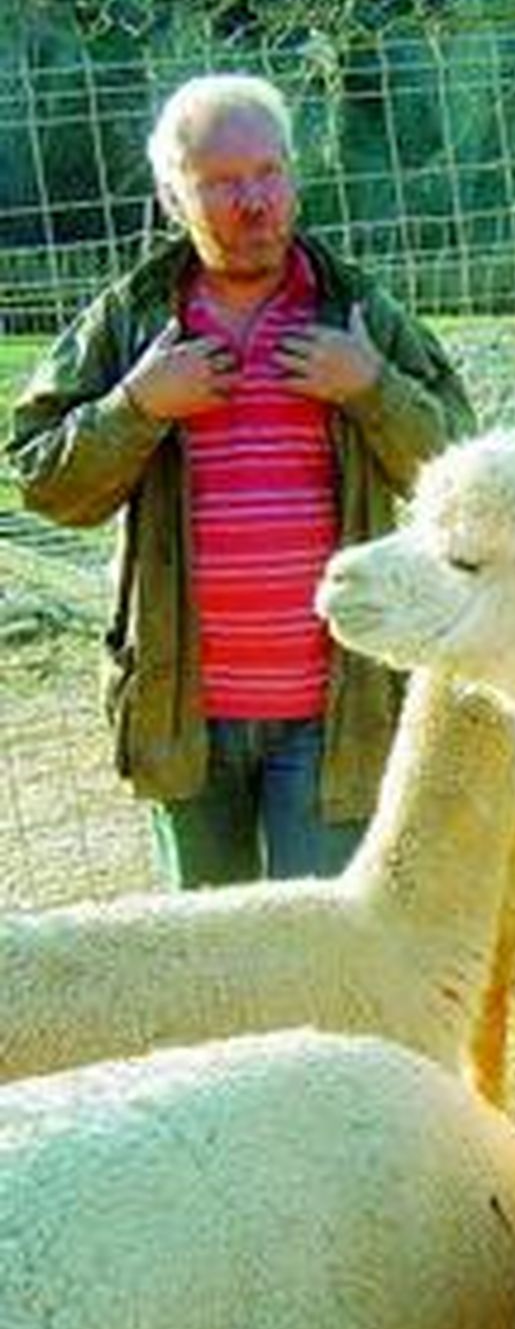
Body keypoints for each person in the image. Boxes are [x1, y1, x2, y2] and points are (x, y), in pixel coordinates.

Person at [6, 73, 474, 888]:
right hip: (184, 710)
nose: (254, 201)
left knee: (320, 951)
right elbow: (43, 480)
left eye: (269, 173)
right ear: (170, 196)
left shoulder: (354, 313)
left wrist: (373, 388)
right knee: (208, 954)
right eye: (221, 183)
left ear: (294, 174)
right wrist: (137, 406)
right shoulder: (131, 323)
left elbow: (463, 469)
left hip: (336, 708)